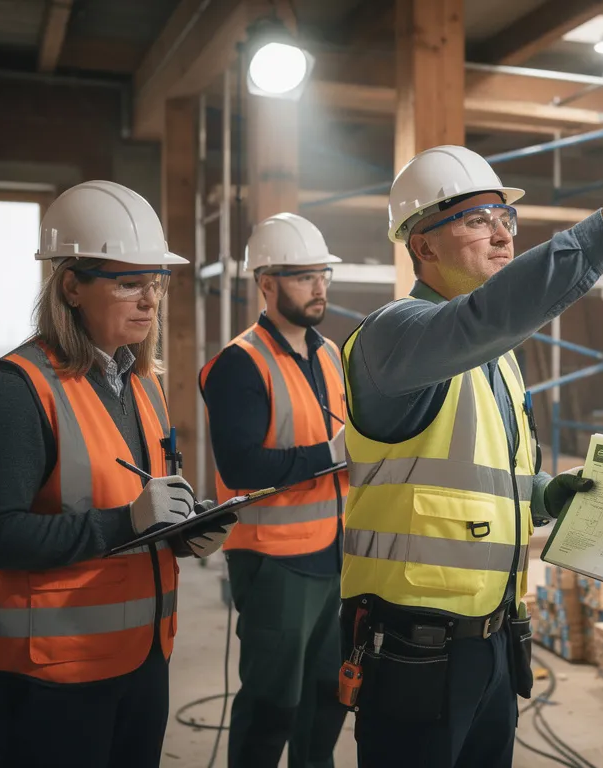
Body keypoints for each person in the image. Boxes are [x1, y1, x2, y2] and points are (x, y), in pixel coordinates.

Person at [340, 140, 603, 767]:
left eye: (507, 219)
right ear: (422, 244)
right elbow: (485, 317)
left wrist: (544, 494)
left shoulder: (496, 359)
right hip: (412, 648)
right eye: (475, 220)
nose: (501, 237)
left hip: (494, 641)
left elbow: (476, 481)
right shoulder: (394, 338)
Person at [0, 180, 232, 768]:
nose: (150, 301)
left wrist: (184, 531)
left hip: (141, 656)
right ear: (71, 285)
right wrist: (125, 522)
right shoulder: (14, 393)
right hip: (50, 674)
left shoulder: (139, 383)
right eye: (130, 282)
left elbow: (138, 506)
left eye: (156, 283)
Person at [199, 213, 350, 768]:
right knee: (271, 703)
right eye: (303, 276)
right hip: (275, 564)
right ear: (266, 283)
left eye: (323, 275)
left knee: (329, 694)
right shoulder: (239, 364)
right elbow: (240, 466)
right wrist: (328, 456)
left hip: (334, 557)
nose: (319, 287)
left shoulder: (330, 353)